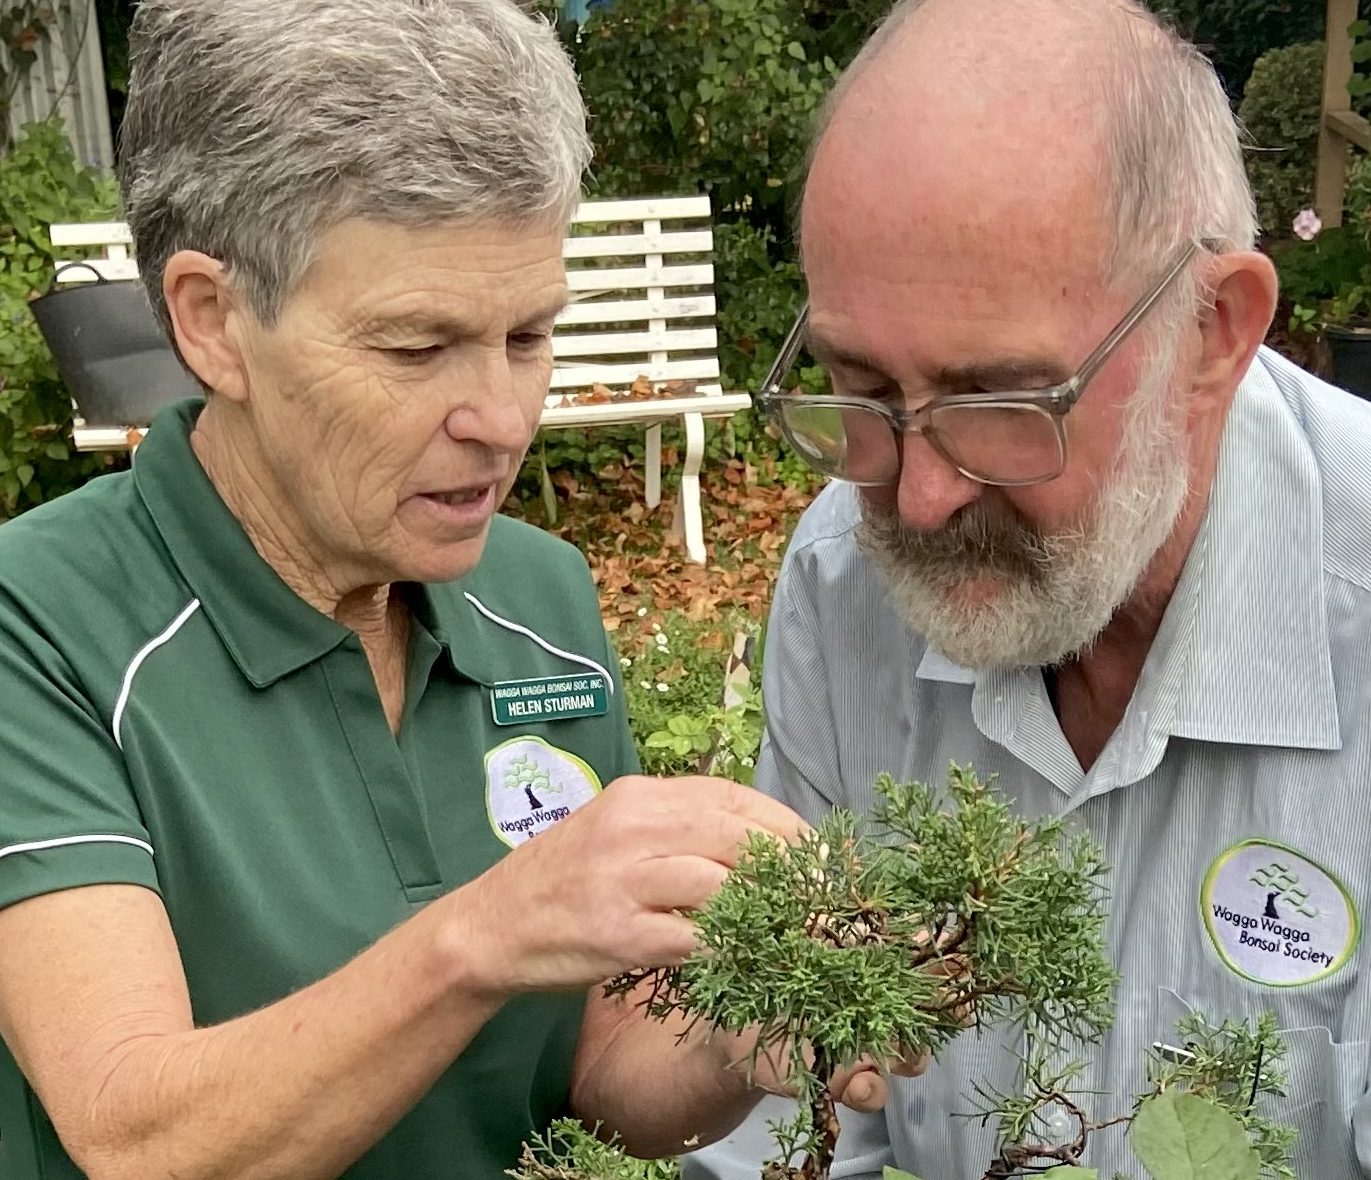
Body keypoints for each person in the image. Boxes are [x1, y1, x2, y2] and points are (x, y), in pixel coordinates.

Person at [0, 3, 906, 1177]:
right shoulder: (42, 624)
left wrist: (742, 1036)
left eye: (529, 335)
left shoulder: (538, 603)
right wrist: (493, 927)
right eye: (417, 349)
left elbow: (594, 1071)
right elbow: (139, 1138)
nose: (501, 419)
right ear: (213, 322)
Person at [686, 0, 1371, 1178]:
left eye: (1002, 404)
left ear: (1215, 330)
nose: (918, 499)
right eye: (857, 387)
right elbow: (786, 1131)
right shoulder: (841, 580)